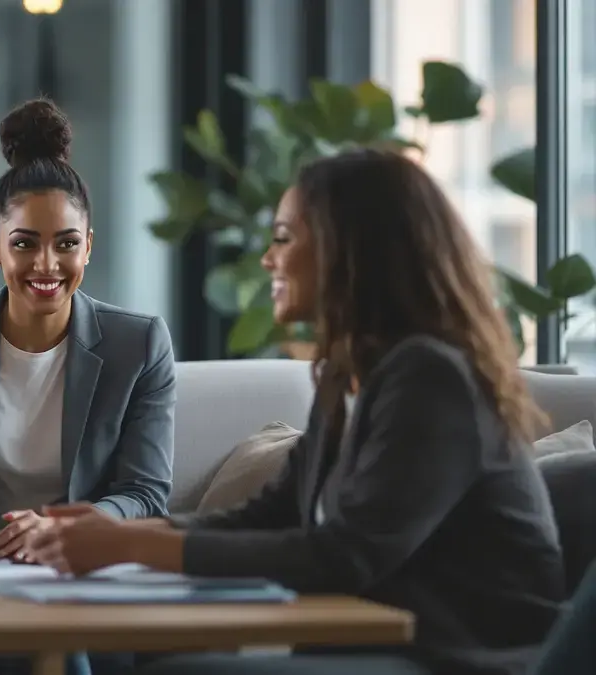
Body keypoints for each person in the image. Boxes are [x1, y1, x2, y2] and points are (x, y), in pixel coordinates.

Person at [29, 149, 565, 675]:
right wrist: (120, 533)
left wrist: (130, 543)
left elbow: (345, 556)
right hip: (382, 647)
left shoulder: (430, 379)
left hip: (463, 658)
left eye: (284, 238)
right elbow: (271, 514)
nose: (268, 259)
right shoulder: (347, 375)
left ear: (347, 248)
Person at [0, 98, 175, 675]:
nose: (46, 265)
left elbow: (144, 494)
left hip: (90, 575)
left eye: (66, 243)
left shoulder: (139, 345)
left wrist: (58, 531)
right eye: (24, 243)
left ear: (88, 246)